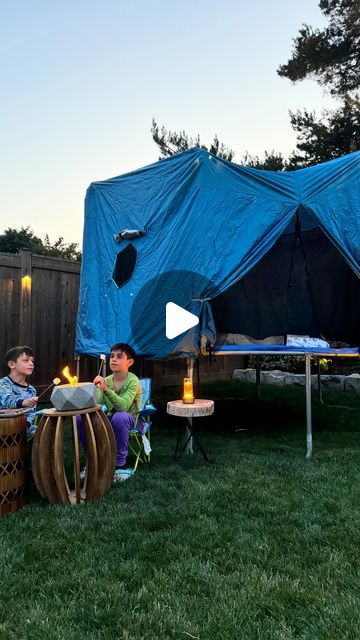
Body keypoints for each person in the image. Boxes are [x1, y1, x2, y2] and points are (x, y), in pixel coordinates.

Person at [77, 342, 142, 480]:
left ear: (129, 362)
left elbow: (123, 407)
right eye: (111, 356)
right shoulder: (106, 380)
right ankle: (92, 458)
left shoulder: (133, 381)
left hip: (131, 420)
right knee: (79, 417)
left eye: (119, 356)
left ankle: (119, 465)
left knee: (120, 417)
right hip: (109, 418)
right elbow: (97, 405)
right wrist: (92, 391)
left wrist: (106, 389)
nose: (113, 359)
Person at [0, 346, 38, 441]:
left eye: (32, 361)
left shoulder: (31, 390)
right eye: (26, 360)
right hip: (3, 429)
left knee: (37, 431)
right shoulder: (3, 383)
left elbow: (31, 414)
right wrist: (24, 402)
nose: (31, 364)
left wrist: (25, 427)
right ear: (12, 364)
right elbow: (7, 401)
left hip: (21, 430)